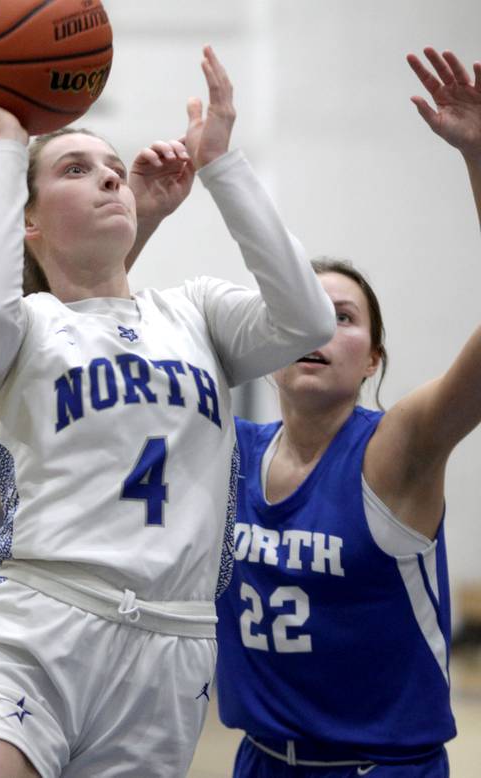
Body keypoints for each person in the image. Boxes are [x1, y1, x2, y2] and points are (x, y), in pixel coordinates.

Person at [0, 45, 335, 778]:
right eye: (74, 169)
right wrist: (8, 146)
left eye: (111, 164)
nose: (108, 172)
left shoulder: (196, 311)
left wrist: (222, 168)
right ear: (30, 224)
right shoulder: (21, 330)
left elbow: (306, 319)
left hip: (172, 647)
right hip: (41, 622)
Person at [213, 47, 481, 777]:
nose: (317, 333)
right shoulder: (225, 450)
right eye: (300, 315)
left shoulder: (398, 448)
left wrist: (478, 158)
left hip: (381, 766)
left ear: (373, 360)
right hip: (261, 760)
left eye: (343, 318)